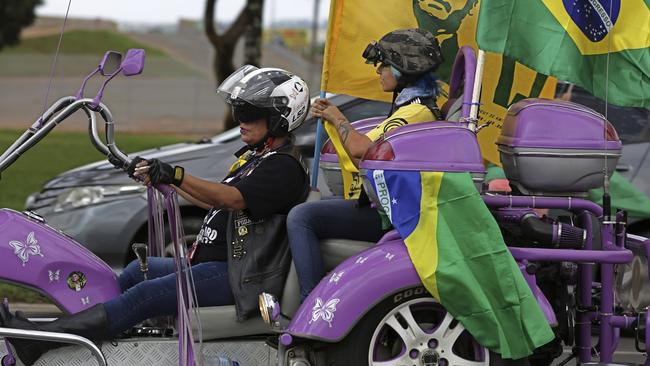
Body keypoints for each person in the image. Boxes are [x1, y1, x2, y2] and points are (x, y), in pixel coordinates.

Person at [0, 66, 310, 366]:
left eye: (249, 114)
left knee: (146, 294)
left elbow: (229, 198)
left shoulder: (283, 168)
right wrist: (164, 182)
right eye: (238, 111)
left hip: (238, 277)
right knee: (137, 272)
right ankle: (85, 333)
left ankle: (38, 339)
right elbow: (211, 202)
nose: (239, 120)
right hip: (214, 265)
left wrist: (176, 175)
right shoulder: (259, 158)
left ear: (279, 121)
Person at [288, 28, 445, 301]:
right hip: (392, 208)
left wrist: (337, 117)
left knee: (302, 216)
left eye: (384, 65)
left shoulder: (416, 112)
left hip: (396, 215)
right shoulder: (410, 106)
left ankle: (310, 304)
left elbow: (362, 150)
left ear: (402, 69)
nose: (379, 71)